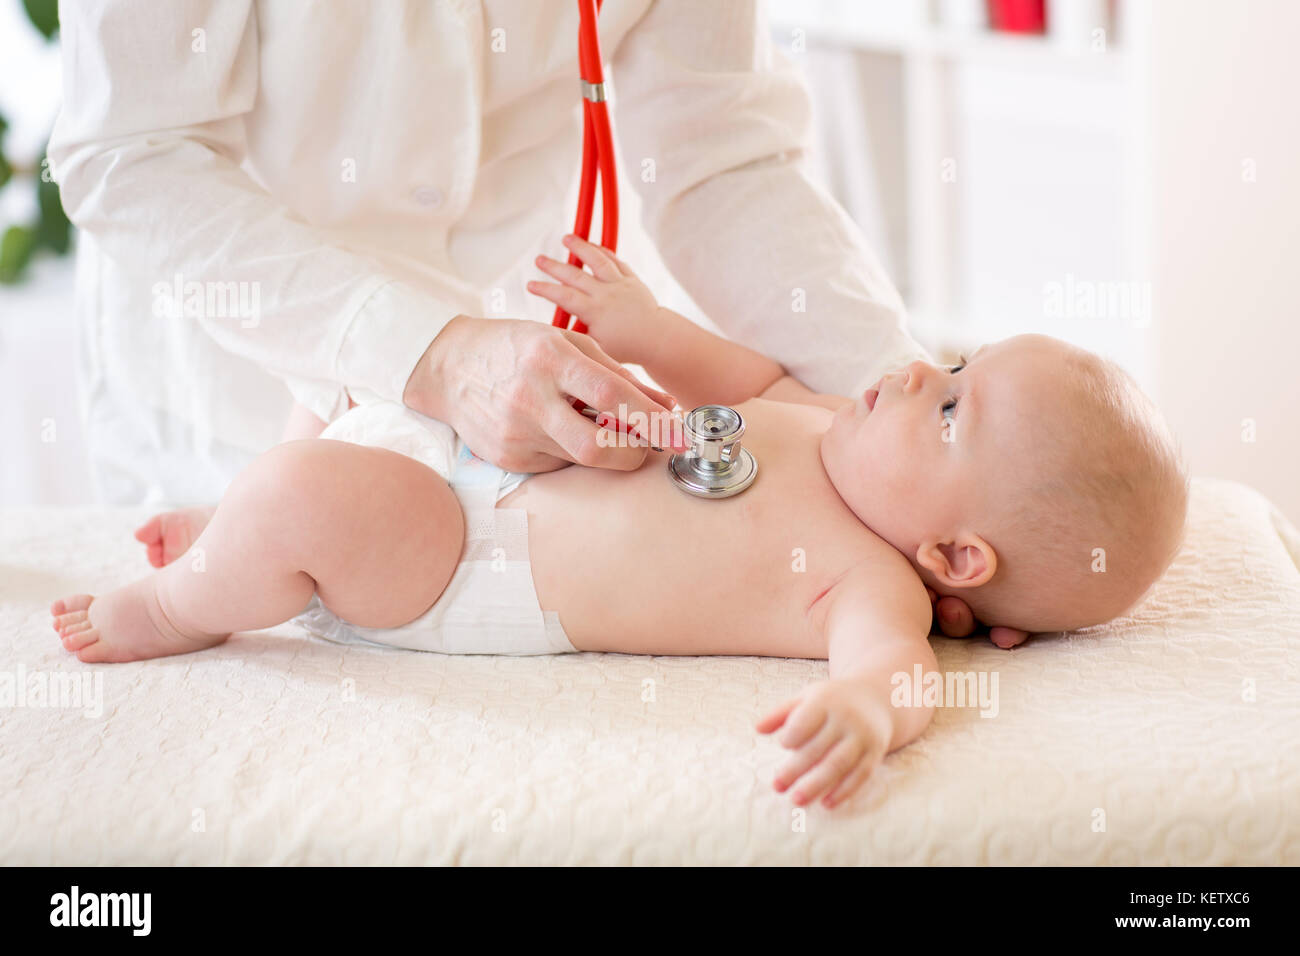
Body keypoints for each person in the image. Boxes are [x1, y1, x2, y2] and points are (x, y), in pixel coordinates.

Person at [50, 236, 1190, 809]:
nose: (909, 371)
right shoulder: (813, 418)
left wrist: (865, 709)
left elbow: (901, 671)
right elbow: (722, 369)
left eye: (948, 403)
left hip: (462, 562)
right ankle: (243, 526)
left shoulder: (871, 583)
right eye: (952, 358)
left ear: (954, 558)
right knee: (359, 387)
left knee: (308, 497)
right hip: (467, 451)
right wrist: (641, 319)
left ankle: (179, 596)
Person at [48, 1, 1009, 642]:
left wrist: (960, 486)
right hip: (250, 348)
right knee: (275, 522)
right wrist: (425, 353)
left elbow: (726, 161)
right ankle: (197, 571)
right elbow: (132, 150)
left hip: (522, 422)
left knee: (351, 508)